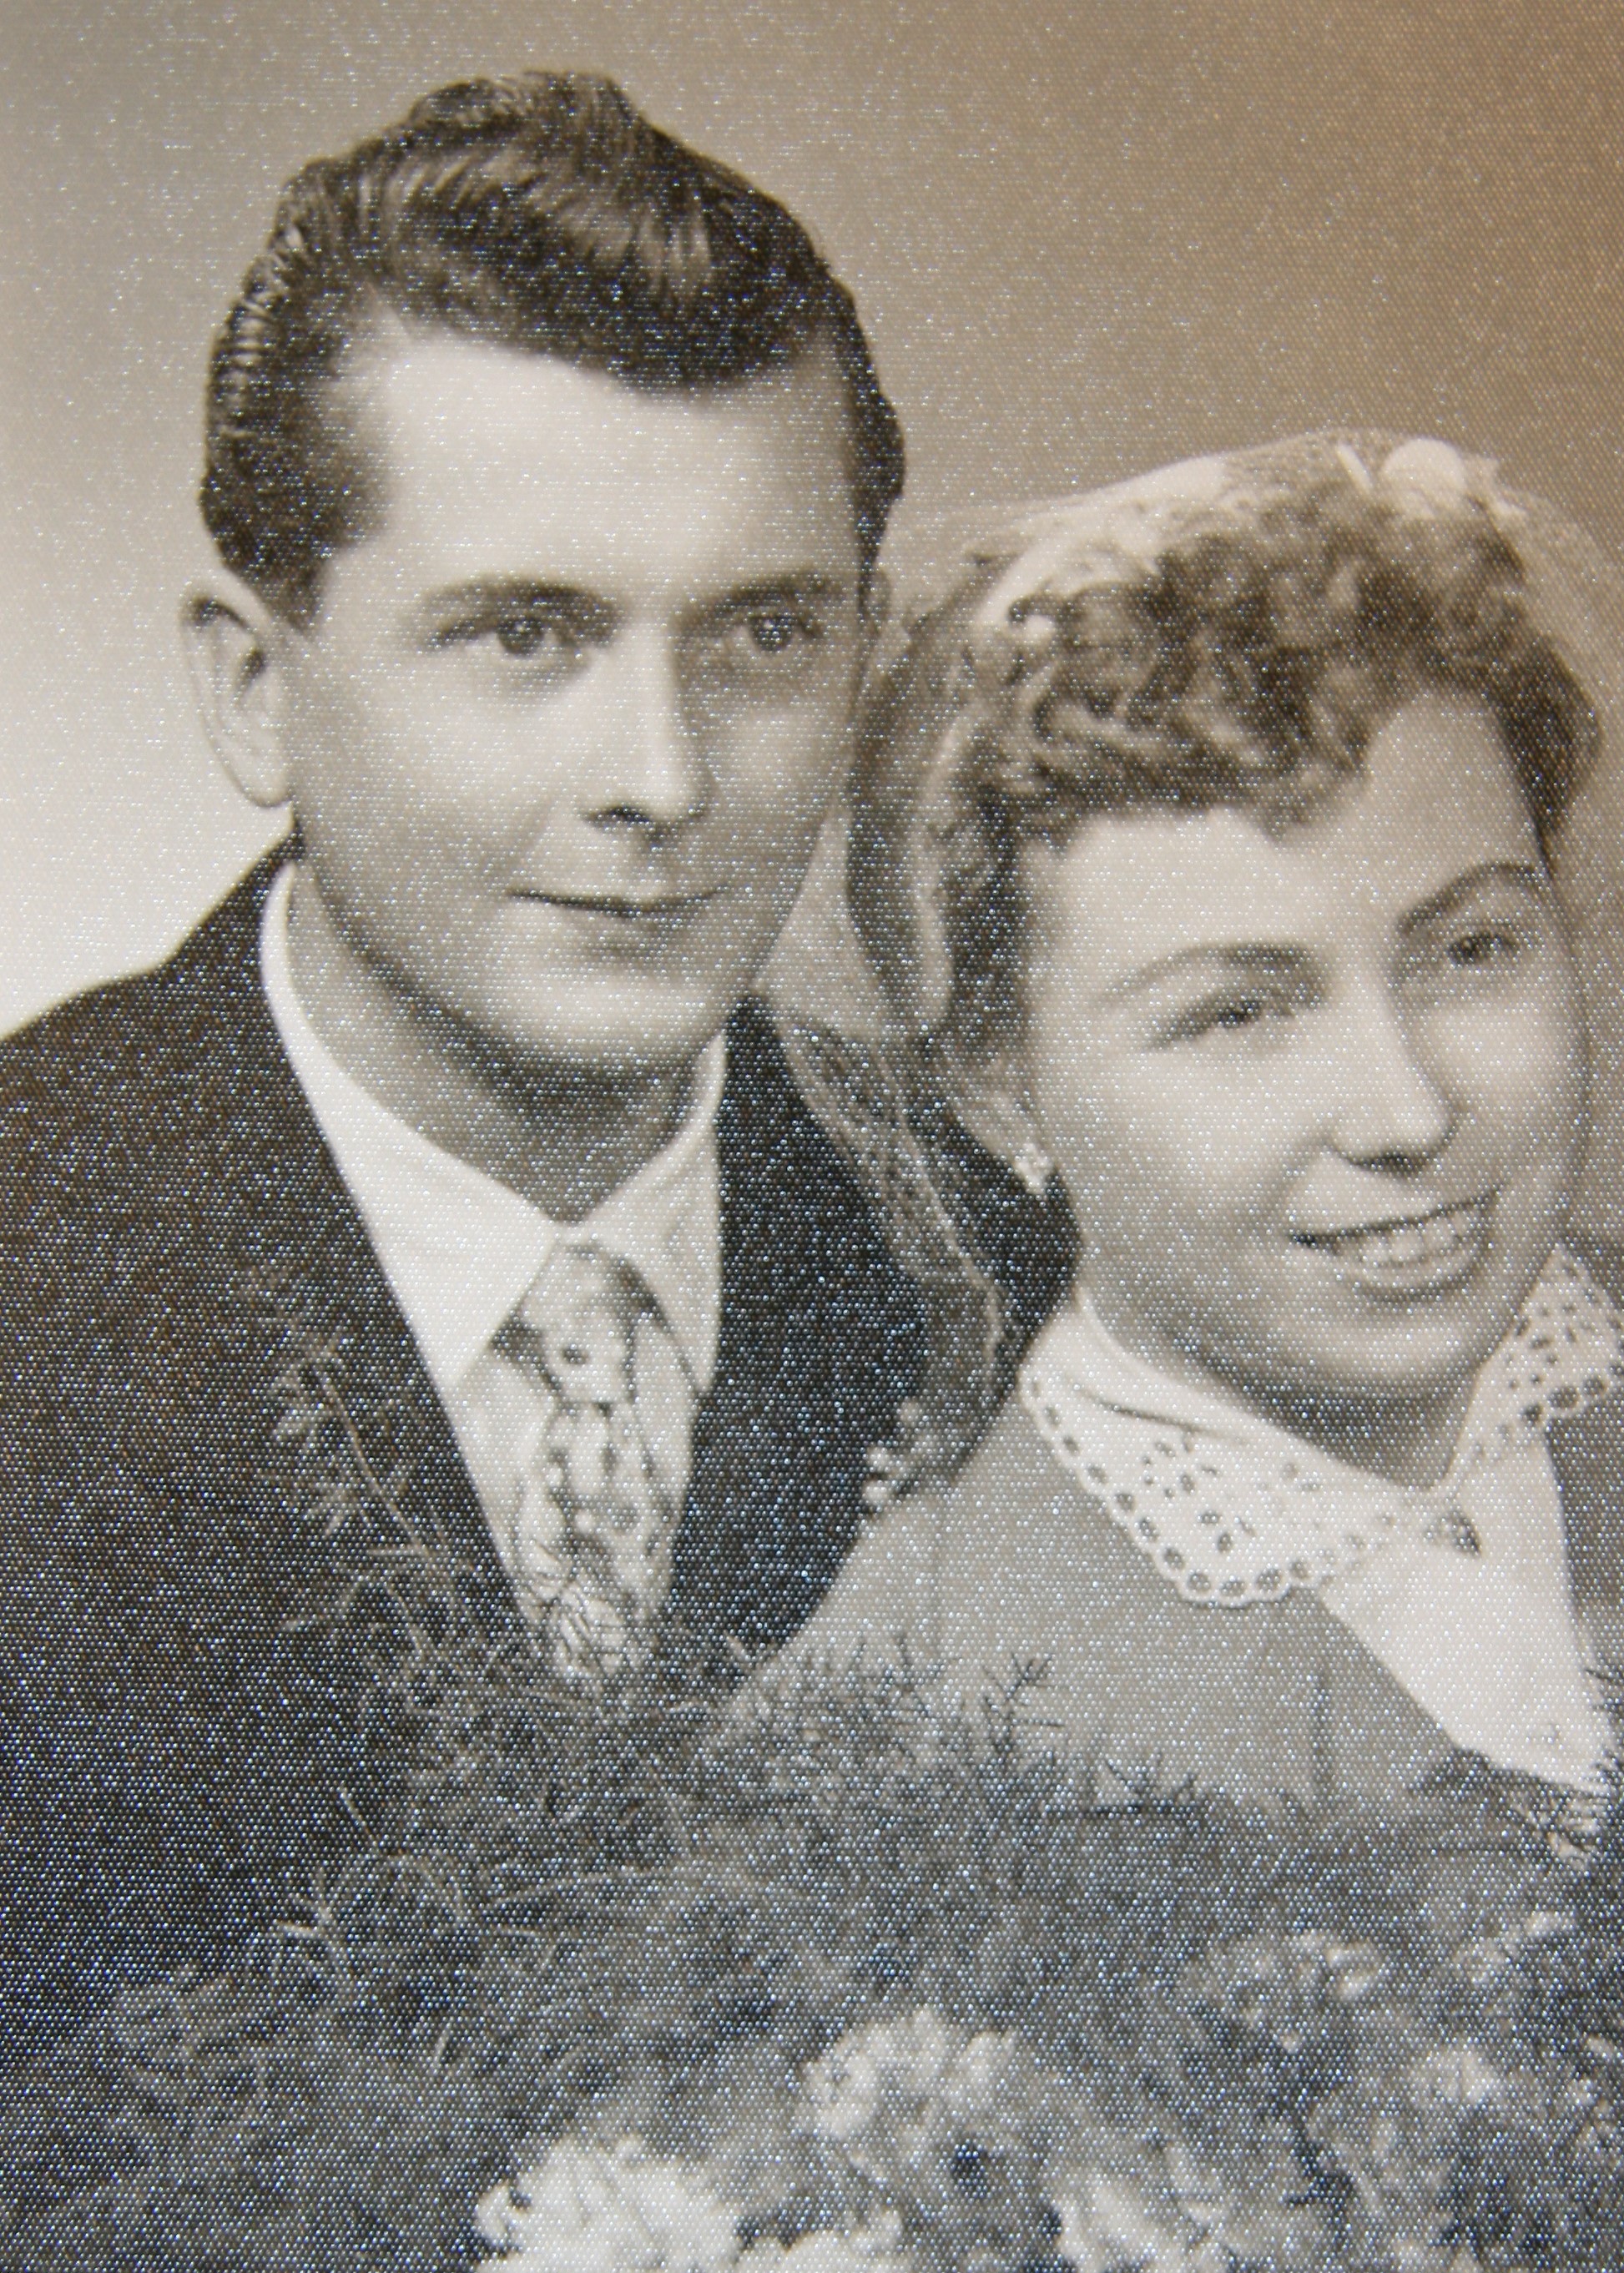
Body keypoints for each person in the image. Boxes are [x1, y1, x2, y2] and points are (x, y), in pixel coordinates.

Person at [0, 73, 1060, 2034]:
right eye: (524, 636)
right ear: (255, 687)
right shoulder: (29, 1248)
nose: (661, 779)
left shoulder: (997, 1267)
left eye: (761, 636)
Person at [793, 436, 1624, 1807]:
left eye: (1472, 949)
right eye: (1237, 1013)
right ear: (1001, 1079)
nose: (1407, 1111)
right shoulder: (893, 1717)